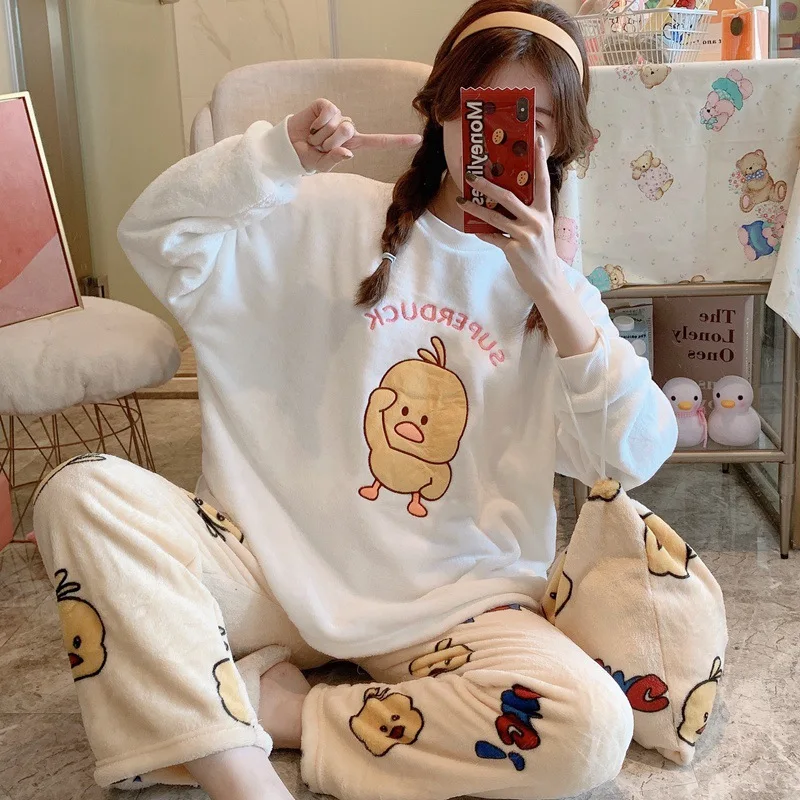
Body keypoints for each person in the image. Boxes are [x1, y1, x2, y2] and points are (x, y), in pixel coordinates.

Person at [33, 2, 678, 799]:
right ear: (443, 108)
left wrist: (549, 286)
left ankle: (276, 713)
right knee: (81, 494)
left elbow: (634, 452)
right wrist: (273, 158)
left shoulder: (559, 301)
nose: (501, 141)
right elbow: (156, 235)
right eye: (484, 109)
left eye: (534, 123)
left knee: (590, 727)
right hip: (262, 574)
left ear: (559, 146)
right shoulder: (326, 214)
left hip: (451, 609)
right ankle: (245, 781)